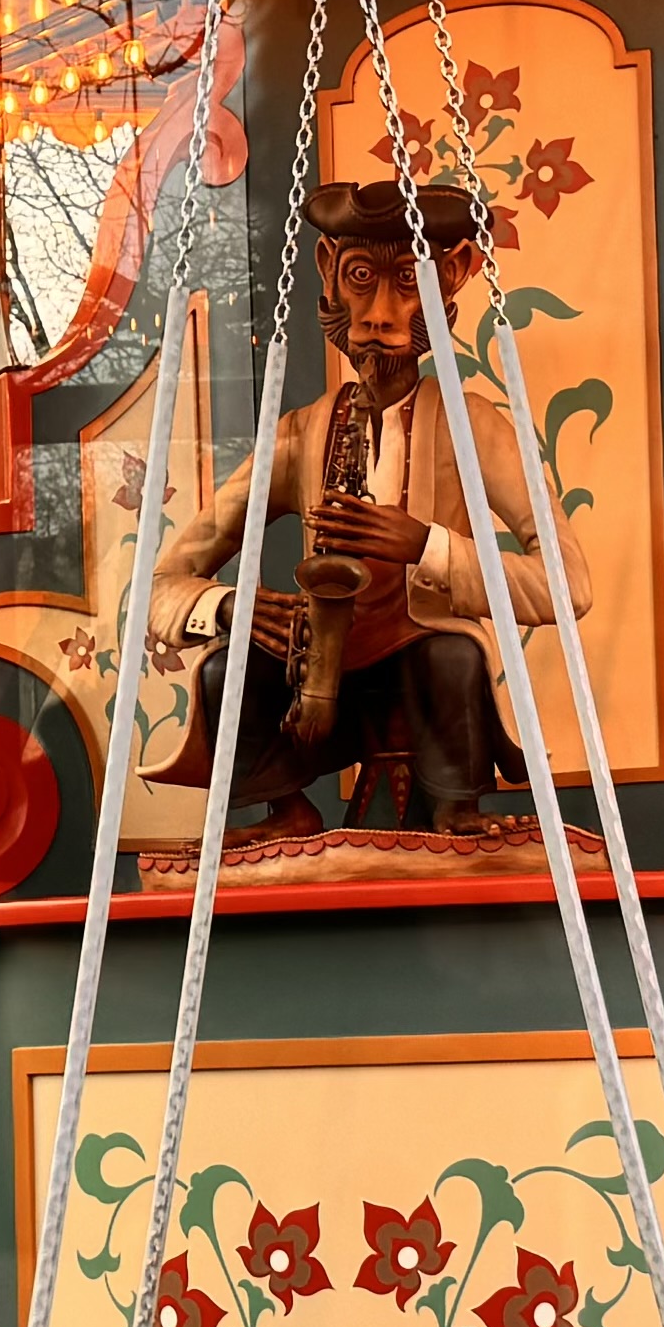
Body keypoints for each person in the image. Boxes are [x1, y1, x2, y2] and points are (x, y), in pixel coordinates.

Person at [143, 178, 564, 839]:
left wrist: (426, 544)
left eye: (407, 280)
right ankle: (286, 808)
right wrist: (233, 607)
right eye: (361, 277)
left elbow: (568, 582)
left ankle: (457, 810)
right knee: (229, 666)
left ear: (452, 276)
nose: (378, 313)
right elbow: (162, 584)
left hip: (423, 669)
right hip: (322, 670)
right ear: (328, 275)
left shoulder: (473, 427)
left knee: (451, 657)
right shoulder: (298, 434)